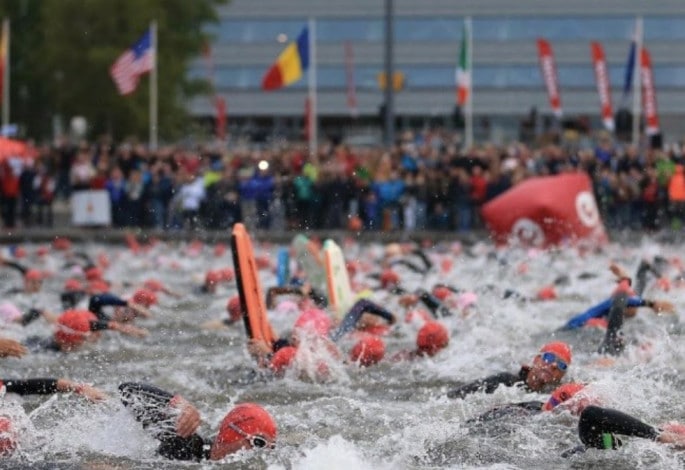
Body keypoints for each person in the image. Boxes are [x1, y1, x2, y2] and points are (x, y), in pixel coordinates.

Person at [118, 382, 276, 461]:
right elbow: (128, 391)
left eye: (271, 447)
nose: (264, 454)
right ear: (232, 434)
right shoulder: (185, 446)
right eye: (259, 442)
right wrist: (175, 405)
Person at [446, 341, 571, 399]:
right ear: (536, 360)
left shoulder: (553, 397)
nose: (554, 365)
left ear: (562, 375)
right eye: (548, 358)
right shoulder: (505, 382)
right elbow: (456, 395)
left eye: (562, 365)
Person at [563, 405, 685, 455]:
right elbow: (591, 416)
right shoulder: (675, 429)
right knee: (573, 453)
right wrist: (656, 434)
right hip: (611, 452)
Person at [24, 309, 148, 352]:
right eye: (85, 338)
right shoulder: (41, 351)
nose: (97, 336)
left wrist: (131, 330)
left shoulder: (71, 329)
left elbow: (96, 325)